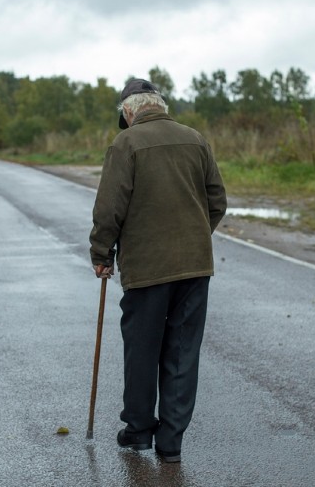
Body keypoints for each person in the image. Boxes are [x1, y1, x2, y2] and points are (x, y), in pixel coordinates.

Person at [89, 78, 227, 463]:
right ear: (160, 105)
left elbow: (109, 208)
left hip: (147, 268)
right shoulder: (195, 139)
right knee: (182, 351)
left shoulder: (126, 144)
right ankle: (171, 442)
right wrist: (195, 237)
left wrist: (102, 252)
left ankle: (137, 432)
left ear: (129, 112)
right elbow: (217, 200)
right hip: (195, 267)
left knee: (142, 349)